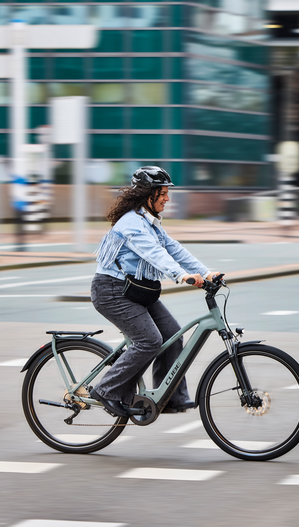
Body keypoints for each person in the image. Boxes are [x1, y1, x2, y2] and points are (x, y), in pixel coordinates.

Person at [89, 166, 222, 418]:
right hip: (111, 291)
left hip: (135, 290)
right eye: (162, 193)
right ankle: (107, 390)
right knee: (149, 341)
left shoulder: (150, 223)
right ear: (147, 195)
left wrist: (206, 273)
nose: (167, 198)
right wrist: (181, 275)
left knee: (172, 334)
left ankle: (169, 398)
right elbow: (155, 254)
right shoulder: (132, 224)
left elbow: (174, 249)